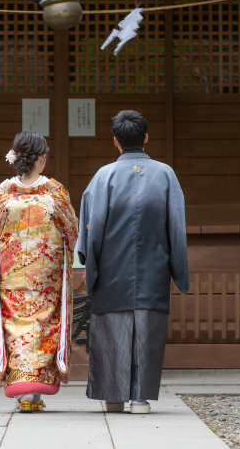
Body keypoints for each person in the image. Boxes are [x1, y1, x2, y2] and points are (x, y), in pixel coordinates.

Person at [77, 110, 189, 415]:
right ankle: (140, 399)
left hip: (112, 271)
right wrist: (179, 272)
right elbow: (176, 228)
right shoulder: (165, 174)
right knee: (147, 333)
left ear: (115, 141)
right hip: (154, 269)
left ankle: (113, 398)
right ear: (146, 138)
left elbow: (91, 227)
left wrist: (90, 266)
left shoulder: (103, 177)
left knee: (112, 331)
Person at [0, 131, 78, 413]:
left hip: (11, 274)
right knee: (43, 326)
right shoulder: (55, 191)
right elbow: (70, 229)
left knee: (15, 327)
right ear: (42, 159)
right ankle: (35, 391)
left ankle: (25, 391)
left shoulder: (4, 192)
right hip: (46, 276)